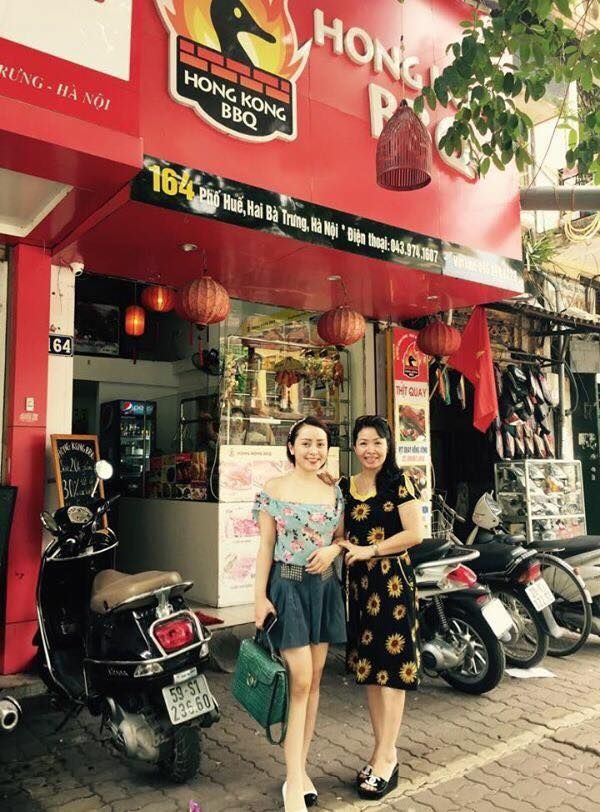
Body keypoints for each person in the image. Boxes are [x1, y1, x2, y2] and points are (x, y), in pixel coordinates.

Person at [253, 416, 346, 812]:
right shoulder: (273, 489)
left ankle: (301, 769)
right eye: (306, 443)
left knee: (315, 682)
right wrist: (259, 598)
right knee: (301, 681)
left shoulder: (334, 492)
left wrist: (333, 550)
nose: (313, 450)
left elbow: (341, 538)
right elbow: (265, 546)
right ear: (291, 447)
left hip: (323, 589)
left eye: (320, 444)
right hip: (287, 587)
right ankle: (292, 782)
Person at [338, 414, 424, 801]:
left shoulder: (399, 482)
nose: (370, 449)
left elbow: (414, 534)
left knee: (391, 674)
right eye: (363, 442)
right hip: (361, 590)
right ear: (354, 447)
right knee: (371, 673)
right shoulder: (346, 486)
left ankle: (388, 757)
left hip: (393, 586)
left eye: (377, 442)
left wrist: (370, 550)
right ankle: (379, 750)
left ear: (388, 445)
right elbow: (341, 534)